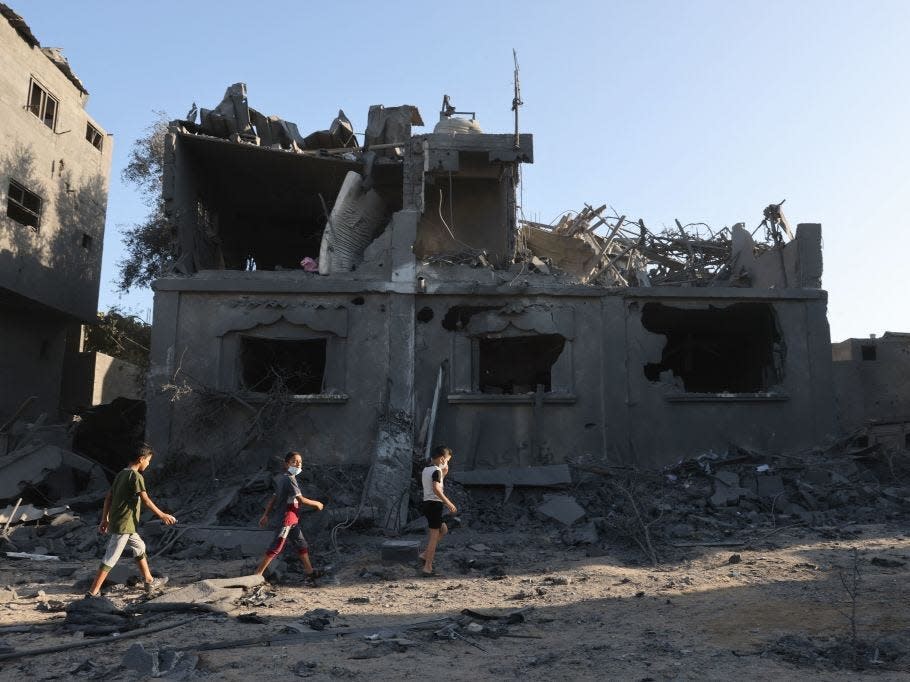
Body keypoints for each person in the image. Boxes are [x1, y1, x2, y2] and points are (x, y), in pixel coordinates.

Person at [87, 444, 176, 597]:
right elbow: (146, 500)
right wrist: (162, 515)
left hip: (123, 523)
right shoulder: (136, 476)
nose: (148, 464)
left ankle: (149, 580)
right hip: (124, 524)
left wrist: (104, 519)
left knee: (140, 547)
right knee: (111, 557)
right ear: (141, 459)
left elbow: (108, 497)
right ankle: (92, 592)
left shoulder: (121, 474)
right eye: (148, 461)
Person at [255, 451, 325, 585]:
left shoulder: (283, 479)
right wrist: (317, 503)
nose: (298, 464)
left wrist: (265, 515)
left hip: (293, 520)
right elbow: (300, 499)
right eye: (294, 461)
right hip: (286, 519)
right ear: (286, 464)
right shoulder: (289, 479)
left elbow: (273, 499)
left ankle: (310, 572)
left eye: (300, 462)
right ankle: (257, 575)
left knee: (301, 544)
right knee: (277, 546)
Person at [419, 445, 457, 576]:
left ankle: (425, 555)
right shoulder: (437, 471)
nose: (447, 463)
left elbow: (435, 484)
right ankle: (427, 567)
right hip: (435, 505)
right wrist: (448, 503)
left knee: (443, 529)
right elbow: (436, 489)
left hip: (427, 504)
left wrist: (444, 473)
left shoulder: (426, 470)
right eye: (447, 461)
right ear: (442, 459)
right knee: (434, 537)